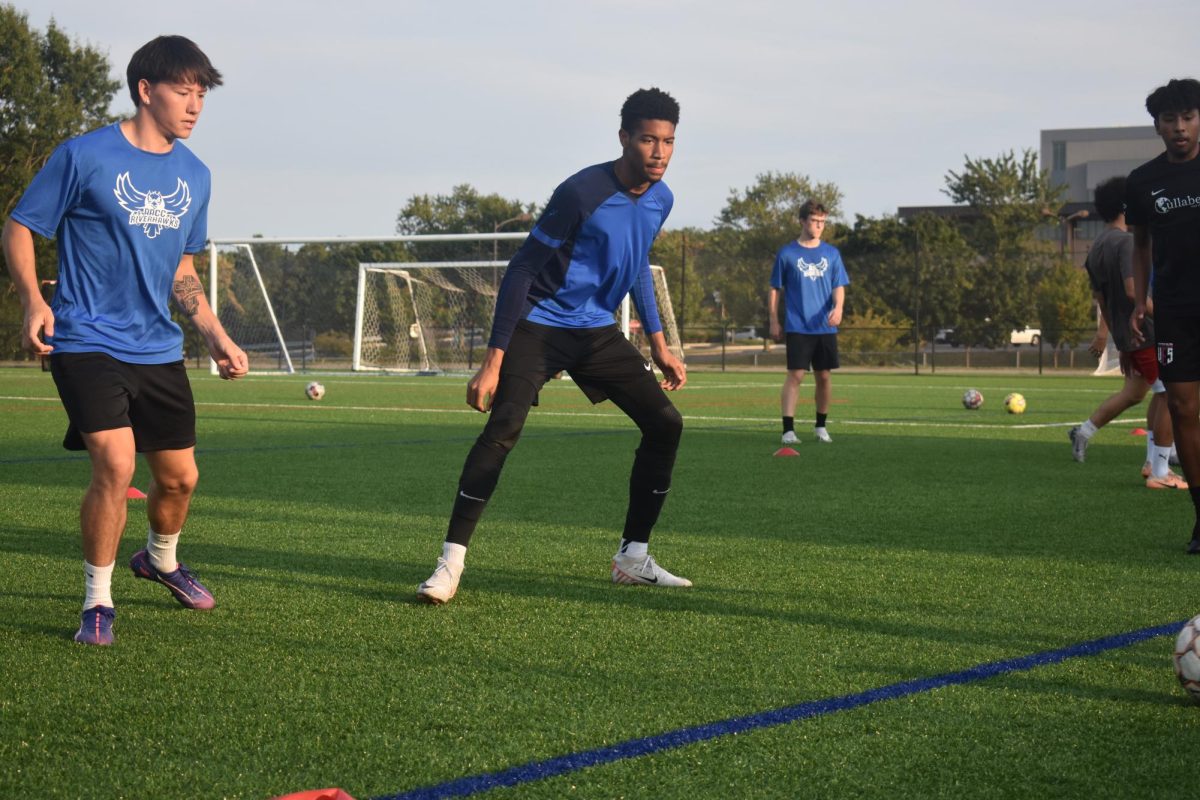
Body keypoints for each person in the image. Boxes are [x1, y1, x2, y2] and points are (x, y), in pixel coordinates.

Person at [2, 36, 248, 644]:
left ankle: (159, 559)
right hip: (84, 337)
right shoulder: (84, 156)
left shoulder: (196, 175)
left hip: (158, 348)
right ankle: (97, 603)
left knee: (179, 479)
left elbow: (182, 273)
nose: (194, 106)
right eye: (183, 92)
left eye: (201, 95)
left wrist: (215, 334)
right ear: (146, 90)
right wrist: (35, 299)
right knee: (114, 464)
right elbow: (20, 227)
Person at [417, 88, 690, 604]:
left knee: (666, 424)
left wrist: (659, 342)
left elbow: (633, 266)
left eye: (669, 142)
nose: (659, 152)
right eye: (649, 140)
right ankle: (449, 564)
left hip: (596, 331)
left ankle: (633, 558)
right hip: (538, 325)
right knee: (503, 428)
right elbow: (522, 269)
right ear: (624, 138)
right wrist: (492, 361)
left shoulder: (662, 199)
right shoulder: (581, 192)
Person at [1070, 176, 1185, 490]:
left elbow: (1102, 302)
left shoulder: (1095, 249)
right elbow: (1132, 289)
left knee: (1142, 393)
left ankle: (1153, 461)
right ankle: (1161, 470)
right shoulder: (1124, 242)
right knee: (1168, 394)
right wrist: (1169, 316)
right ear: (1126, 206)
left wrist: (1117, 341)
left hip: (1130, 337)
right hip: (1145, 331)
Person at [1127, 78, 1200, 553]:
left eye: (1188, 117)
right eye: (1170, 120)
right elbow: (1141, 244)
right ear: (1157, 126)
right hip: (1175, 310)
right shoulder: (1143, 182)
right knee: (1184, 409)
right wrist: (1138, 301)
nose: (1180, 127)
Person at [767, 201, 849, 445]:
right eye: (815, 221)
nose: (819, 226)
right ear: (802, 221)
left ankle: (821, 427)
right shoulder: (787, 254)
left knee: (824, 376)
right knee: (796, 376)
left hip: (824, 326)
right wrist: (774, 320)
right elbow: (775, 289)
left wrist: (839, 308)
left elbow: (839, 286)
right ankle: (788, 430)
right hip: (797, 325)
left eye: (823, 222)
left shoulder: (832, 254)